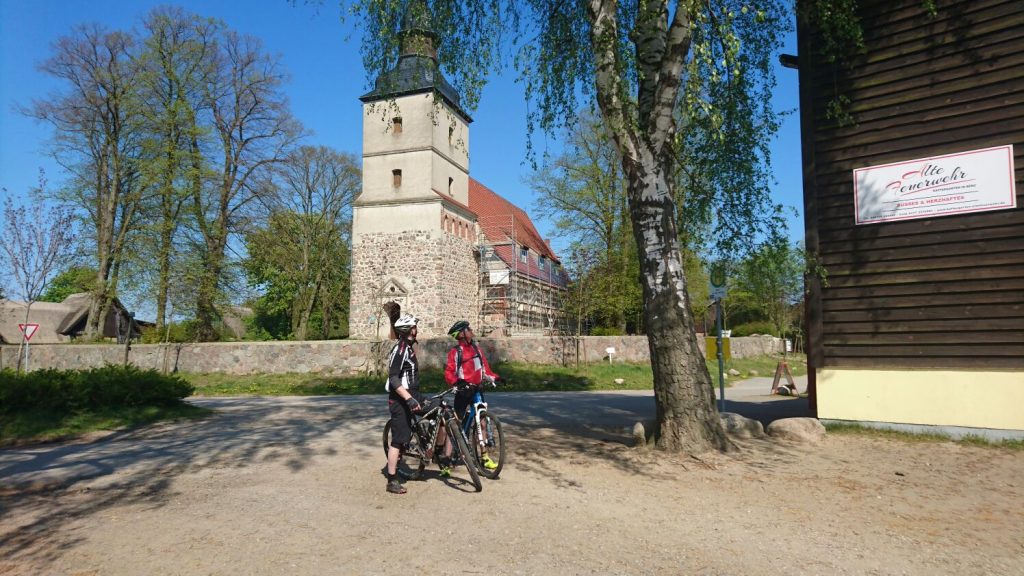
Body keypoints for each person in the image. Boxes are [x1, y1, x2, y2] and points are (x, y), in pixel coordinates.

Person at [444, 320, 500, 471]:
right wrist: (457, 382)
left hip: (476, 391)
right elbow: (449, 373)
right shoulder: (456, 352)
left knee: (482, 422)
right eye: (468, 329)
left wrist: (495, 377)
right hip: (463, 392)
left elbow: (484, 369)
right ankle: (447, 461)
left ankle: (484, 457)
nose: (471, 330)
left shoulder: (476, 349)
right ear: (462, 334)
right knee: (455, 424)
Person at [384, 314, 424, 495]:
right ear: (407, 331)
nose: (416, 330)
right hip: (400, 399)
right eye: (414, 327)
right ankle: (392, 480)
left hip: (414, 395)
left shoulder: (409, 348)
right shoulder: (400, 350)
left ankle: (441, 454)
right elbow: (393, 378)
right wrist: (408, 398)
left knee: (442, 409)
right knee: (399, 440)